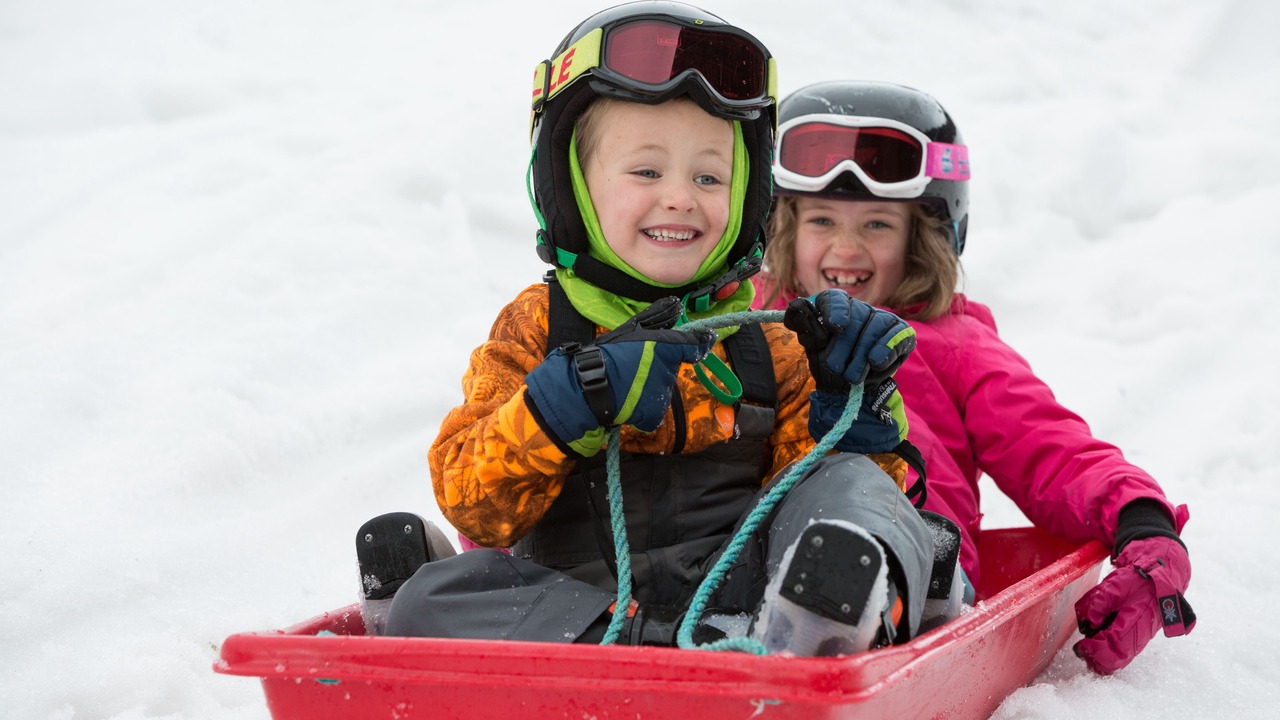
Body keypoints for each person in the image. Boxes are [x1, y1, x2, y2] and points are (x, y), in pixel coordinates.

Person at [359, 3, 962, 656]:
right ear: (572, 187)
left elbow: (810, 502)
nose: (680, 196)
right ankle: (655, 645)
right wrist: (565, 404)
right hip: (585, 608)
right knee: (438, 595)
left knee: (862, 494)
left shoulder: (768, 338)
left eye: (709, 176)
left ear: (748, 197)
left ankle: (821, 624)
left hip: (752, 601)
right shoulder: (538, 326)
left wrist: (852, 410)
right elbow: (477, 507)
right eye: (646, 171)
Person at [751, 79, 1195, 673]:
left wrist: (1144, 520)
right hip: (744, 551)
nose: (846, 247)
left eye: (878, 224)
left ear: (924, 238)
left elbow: (1053, 450)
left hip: (916, 557)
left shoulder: (953, 347)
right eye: (823, 220)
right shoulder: (749, 326)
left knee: (878, 513)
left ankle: (872, 600)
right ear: (784, 227)